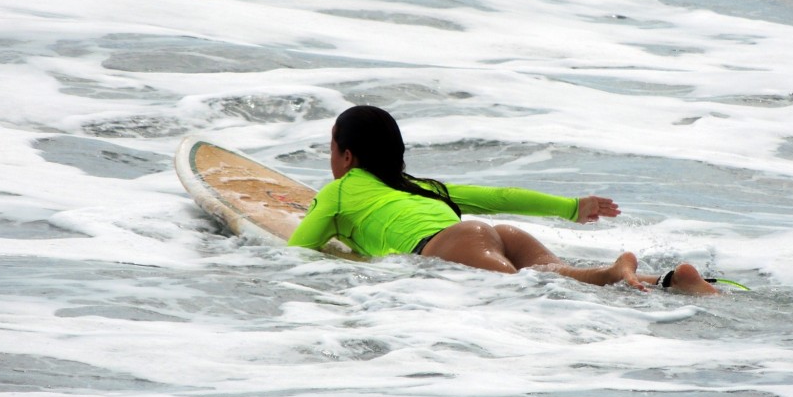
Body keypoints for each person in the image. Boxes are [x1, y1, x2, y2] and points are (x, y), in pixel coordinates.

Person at [288, 105, 718, 295]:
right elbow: (499, 197)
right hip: (498, 235)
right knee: (562, 276)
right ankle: (670, 283)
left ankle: (622, 273)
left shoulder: (338, 191)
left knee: (546, 291)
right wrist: (572, 207)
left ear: (347, 156)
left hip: (452, 245)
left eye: (331, 149)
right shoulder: (422, 186)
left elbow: (298, 249)